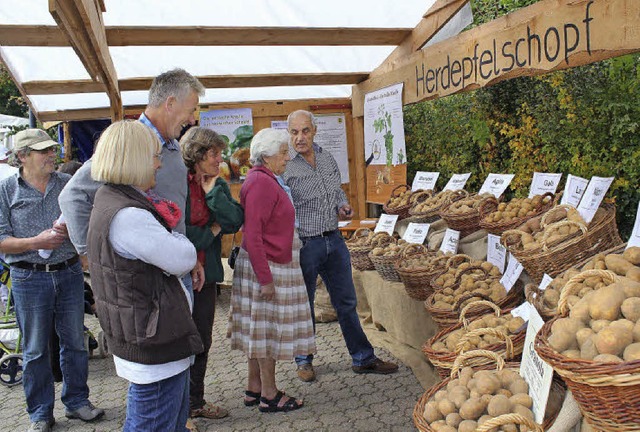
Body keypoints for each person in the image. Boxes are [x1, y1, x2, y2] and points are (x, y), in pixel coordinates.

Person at [87, 120, 204, 431]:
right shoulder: (129, 216)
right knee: (152, 423)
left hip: (146, 335)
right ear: (134, 158)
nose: (159, 162)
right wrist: (180, 241)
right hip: (153, 343)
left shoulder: (111, 198)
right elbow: (182, 257)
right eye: (154, 155)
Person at [282, 110, 399, 382]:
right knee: (304, 304)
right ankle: (304, 361)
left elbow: (336, 191)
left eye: (305, 131)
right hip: (305, 244)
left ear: (314, 131)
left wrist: (342, 206)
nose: (300, 138)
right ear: (289, 133)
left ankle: (362, 358)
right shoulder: (285, 164)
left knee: (347, 302)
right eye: (294, 132)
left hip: (334, 240)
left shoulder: (326, 157)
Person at [0, 128, 104, 432]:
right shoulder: (6, 190)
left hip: (70, 272)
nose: (51, 155)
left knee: (74, 342)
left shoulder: (67, 184)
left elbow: (86, 222)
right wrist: (35, 242)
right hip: (28, 278)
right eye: (43, 151)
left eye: (51, 149)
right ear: (22, 157)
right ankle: (40, 413)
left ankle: (76, 403)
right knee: (34, 350)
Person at [228, 128, 315, 413]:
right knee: (267, 332)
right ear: (266, 156)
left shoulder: (262, 179)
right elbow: (253, 235)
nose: (288, 158)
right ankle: (269, 393)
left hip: (268, 263)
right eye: (283, 153)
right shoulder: (262, 183)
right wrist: (265, 279)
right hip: (268, 266)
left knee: (259, 330)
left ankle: (254, 388)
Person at [180, 127, 243, 420]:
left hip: (208, 275)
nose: (220, 159)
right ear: (198, 154)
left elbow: (235, 220)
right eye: (214, 153)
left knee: (202, 340)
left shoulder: (216, 184)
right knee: (179, 341)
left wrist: (213, 196)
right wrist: (211, 231)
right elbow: (183, 236)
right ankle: (177, 406)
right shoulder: (178, 183)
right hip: (179, 274)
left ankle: (195, 401)